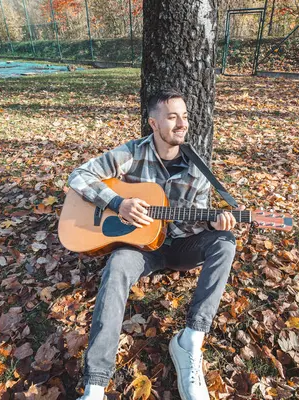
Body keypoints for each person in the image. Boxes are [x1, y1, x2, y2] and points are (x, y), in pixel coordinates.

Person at [67, 89, 238, 400]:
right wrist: (118, 203)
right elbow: (79, 176)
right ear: (154, 123)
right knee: (117, 265)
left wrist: (211, 221)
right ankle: (95, 386)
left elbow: (191, 220)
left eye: (184, 116)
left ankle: (190, 339)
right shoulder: (132, 153)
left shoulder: (196, 166)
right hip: (138, 248)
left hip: (179, 246)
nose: (182, 124)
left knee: (225, 243)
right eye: (172, 117)